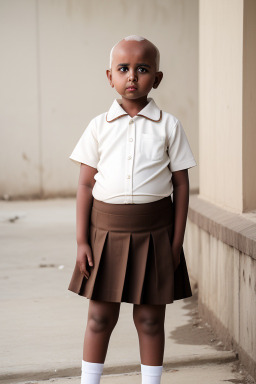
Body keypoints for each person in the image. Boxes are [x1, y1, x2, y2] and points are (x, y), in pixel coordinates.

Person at [68, 35, 196, 384]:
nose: (132, 77)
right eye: (123, 69)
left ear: (157, 78)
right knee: (99, 317)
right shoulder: (98, 126)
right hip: (104, 233)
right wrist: (82, 240)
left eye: (142, 69)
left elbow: (181, 186)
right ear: (109, 76)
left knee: (151, 320)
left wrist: (175, 243)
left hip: (156, 234)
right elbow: (84, 185)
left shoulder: (169, 126)